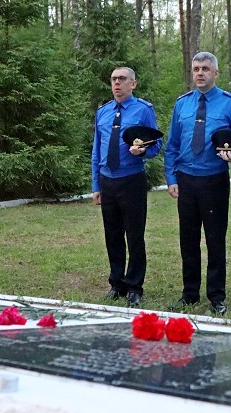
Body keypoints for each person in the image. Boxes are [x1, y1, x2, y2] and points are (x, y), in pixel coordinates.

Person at [164, 52, 231, 316]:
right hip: (186, 179)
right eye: (196, 69)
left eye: (205, 69)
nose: (200, 73)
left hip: (214, 179)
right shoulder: (182, 104)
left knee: (215, 239)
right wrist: (171, 178)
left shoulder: (230, 104)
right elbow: (172, 145)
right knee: (188, 239)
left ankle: (216, 295)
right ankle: (189, 293)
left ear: (216, 73)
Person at [91, 67, 162, 308]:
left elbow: (156, 144)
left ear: (133, 84)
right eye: (114, 79)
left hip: (131, 179)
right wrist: (96, 184)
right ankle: (117, 283)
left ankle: (134, 286)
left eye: (122, 79)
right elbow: (97, 150)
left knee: (134, 235)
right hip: (107, 180)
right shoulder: (103, 112)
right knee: (112, 235)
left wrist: (143, 152)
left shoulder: (143, 110)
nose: (117, 83)